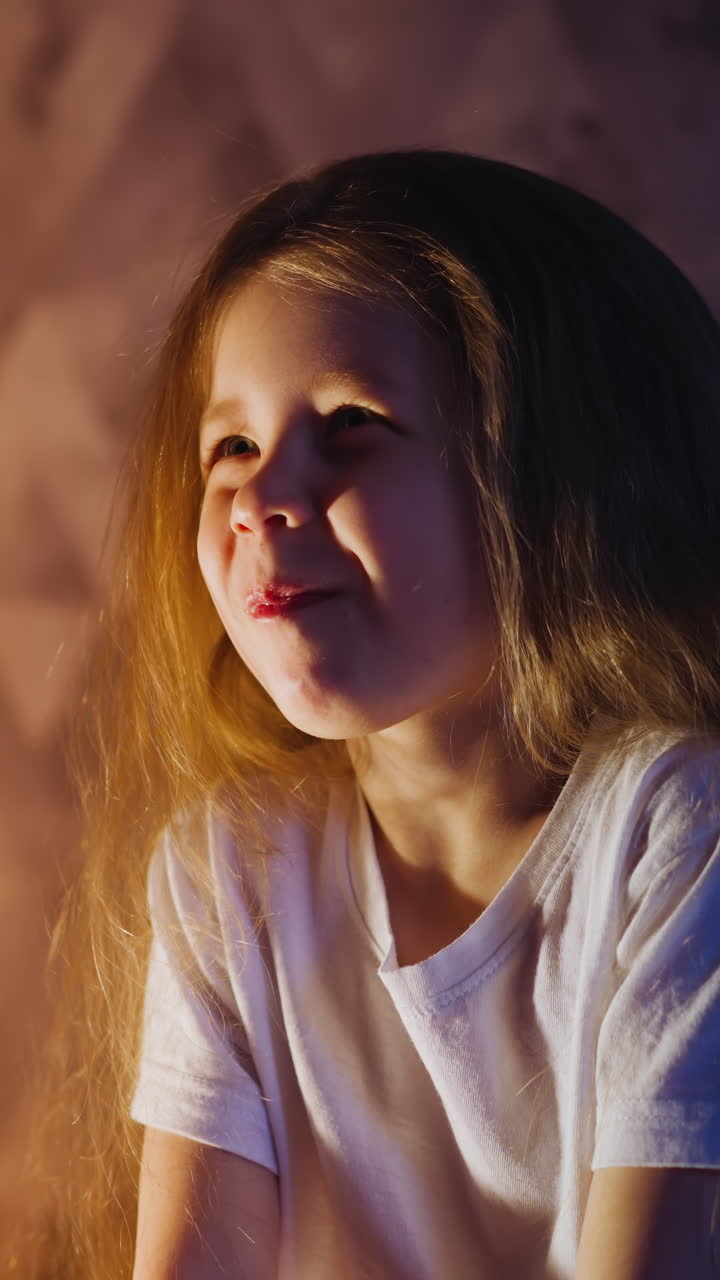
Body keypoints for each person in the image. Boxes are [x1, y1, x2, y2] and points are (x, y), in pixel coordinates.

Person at [12, 149, 720, 1279]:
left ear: (551, 478)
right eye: (230, 444)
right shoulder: (229, 870)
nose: (258, 495)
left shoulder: (679, 831)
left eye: (347, 423)